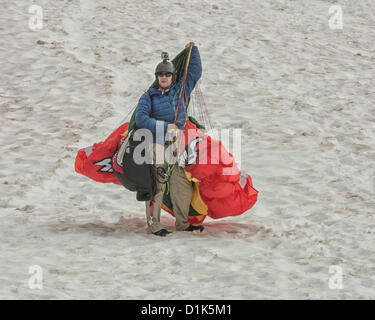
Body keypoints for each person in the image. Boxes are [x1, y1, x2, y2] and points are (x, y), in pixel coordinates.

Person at [135, 42, 204, 236]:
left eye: (167, 74)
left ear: (173, 77)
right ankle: (154, 224)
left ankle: (182, 223)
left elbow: (194, 72)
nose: (163, 77)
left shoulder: (181, 91)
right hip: (156, 143)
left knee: (181, 184)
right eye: (160, 75)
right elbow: (141, 119)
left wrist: (193, 50)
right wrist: (166, 127)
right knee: (157, 183)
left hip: (179, 145)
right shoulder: (148, 96)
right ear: (156, 77)